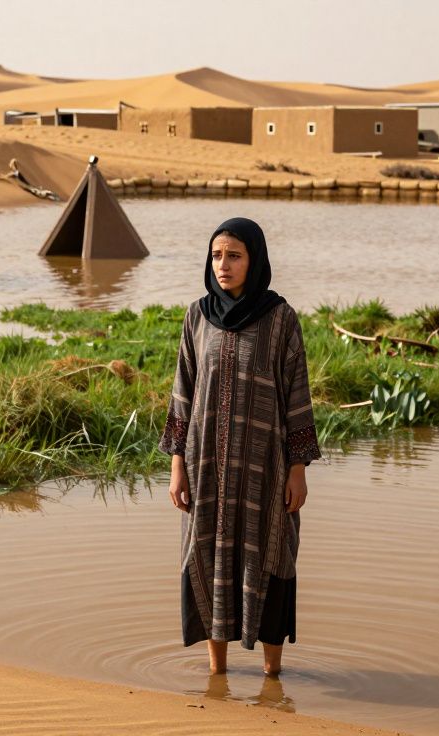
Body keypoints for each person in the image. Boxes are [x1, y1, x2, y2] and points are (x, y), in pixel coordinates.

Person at [159, 216, 321, 677]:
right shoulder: (197, 316)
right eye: (216, 256)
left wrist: (298, 467)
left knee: (271, 551)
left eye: (234, 255)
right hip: (205, 465)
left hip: (264, 469)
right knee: (206, 553)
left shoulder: (280, 318)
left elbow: (297, 396)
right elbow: (182, 392)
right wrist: (177, 465)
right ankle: (217, 674)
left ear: (255, 259)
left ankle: (273, 676)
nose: (223, 265)